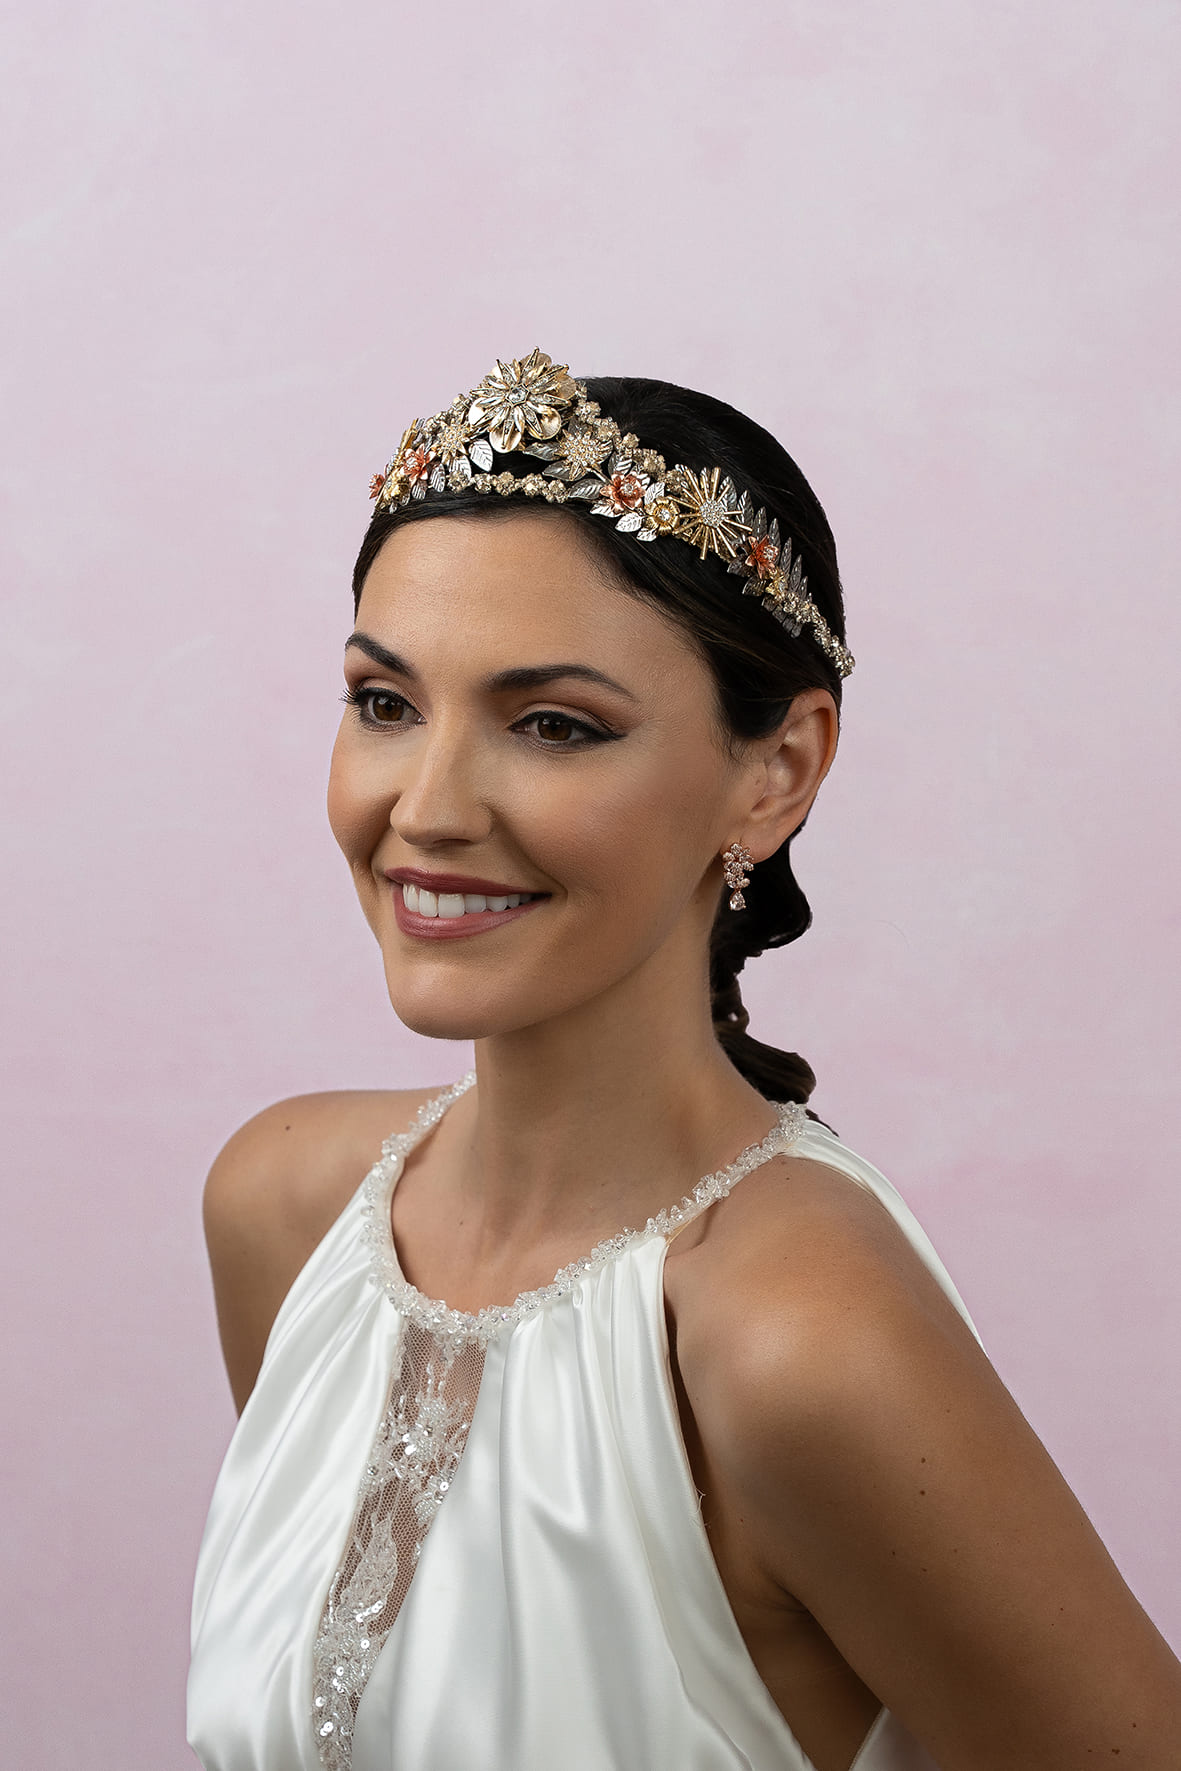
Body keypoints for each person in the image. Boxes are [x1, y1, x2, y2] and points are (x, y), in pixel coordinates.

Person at [187, 350, 1181, 1771]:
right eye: (385, 703)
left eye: (554, 725)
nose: (429, 808)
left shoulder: (794, 1345)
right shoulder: (287, 1211)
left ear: (776, 772)